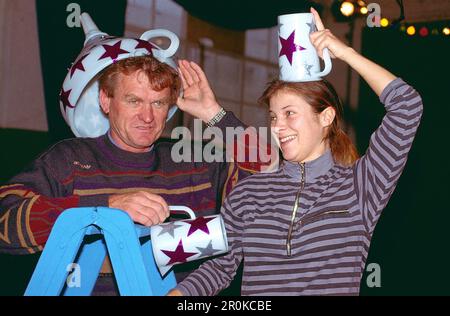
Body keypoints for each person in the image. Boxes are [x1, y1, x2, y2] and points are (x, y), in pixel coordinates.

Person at [168, 8, 423, 296]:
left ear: (326, 118)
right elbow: (218, 269)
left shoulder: (361, 186)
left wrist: (345, 53)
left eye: (290, 113)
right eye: (274, 116)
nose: (278, 126)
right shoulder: (249, 192)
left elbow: (407, 105)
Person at [0, 55, 272, 294]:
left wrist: (215, 115)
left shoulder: (194, 164)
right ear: (106, 100)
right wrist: (104, 209)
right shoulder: (68, 160)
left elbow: (268, 167)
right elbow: (5, 222)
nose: (147, 116)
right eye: (134, 101)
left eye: (158, 103)